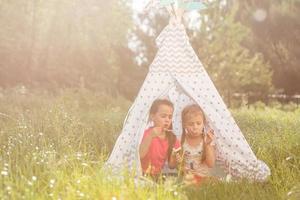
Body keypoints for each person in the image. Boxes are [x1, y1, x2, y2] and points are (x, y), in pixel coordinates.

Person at [139, 99, 181, 180]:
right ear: (152, 116)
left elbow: (171, 166)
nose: (167, 120)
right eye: (163, 116)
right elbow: (140, 154)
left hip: (158, 175)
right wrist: (150, 136)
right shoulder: (146, 133)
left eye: (170, 117)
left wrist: (175, 161)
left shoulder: (172, 138)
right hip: (142, 173)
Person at [180, 104, 216, 185]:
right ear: (184, 124)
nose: (195, 127)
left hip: (204, 177)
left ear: (203, 124)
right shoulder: (181, 141)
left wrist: (207, 145)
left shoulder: (207, 140)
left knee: (214, 182)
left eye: (198, 123)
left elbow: (211, 164)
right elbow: (178, 164)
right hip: (188, 178)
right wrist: (183, 169)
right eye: (191, 124)